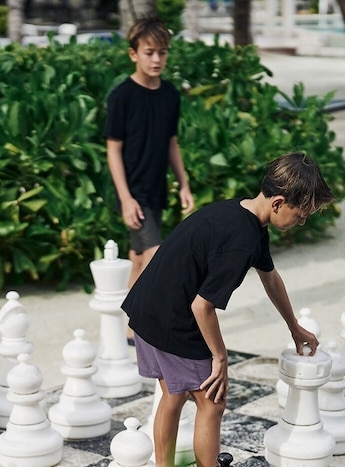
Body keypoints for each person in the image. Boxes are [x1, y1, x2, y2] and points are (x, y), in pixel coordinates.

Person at [121, 152, 335, 467]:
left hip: (147, 307)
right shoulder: (240, 241)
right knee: (212, 401)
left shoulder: (240, 215)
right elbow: (201, 307)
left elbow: (270, 276)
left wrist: (294, 325)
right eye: (300, 216)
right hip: (174, 318)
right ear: (280, 202)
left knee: (172, 395)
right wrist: (220, 358)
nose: (300, 223)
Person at [104, 17, 195, 342]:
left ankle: (124, 328)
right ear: (133, 54)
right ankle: (143, 326)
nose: (156, 59)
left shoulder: (170, 94)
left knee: (140, 259)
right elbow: (113, 149)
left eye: (162, 52)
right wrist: (126, 198)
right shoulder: (122, 96)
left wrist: (183, 183)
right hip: (133, 192)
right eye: (149, 52)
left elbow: (172, 143)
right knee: (156, 255)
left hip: (156, 189)